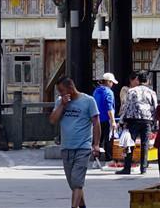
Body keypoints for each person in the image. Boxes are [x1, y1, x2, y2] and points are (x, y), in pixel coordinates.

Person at [48, 77, 102, 208]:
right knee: (73, 183)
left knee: (77, 182)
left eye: (62, 91)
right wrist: (62, 105)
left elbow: (96, 123)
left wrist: (96, 144)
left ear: (70, 88)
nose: (60, 94)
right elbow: (52, 120)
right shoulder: (60, 102)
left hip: (83, 147)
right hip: (66, 147)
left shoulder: (88, 101)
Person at [119, 71, 158, 175]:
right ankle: (143, 168)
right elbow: (155, 107)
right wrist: (155, 122)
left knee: (130, 143)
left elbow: (126, 106)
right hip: (147, 120)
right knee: (145, 144)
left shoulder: (131, 91)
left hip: (133, 119)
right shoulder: (151, 92)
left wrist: (122, 121)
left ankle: (127, 168)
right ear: (147, 80)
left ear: (138, 80)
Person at [92, 73, 117, 162]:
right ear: (108, 82)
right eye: (112, 82)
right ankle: (108, 158)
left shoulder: (96, 91)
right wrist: (113, 121)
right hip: (106, 119)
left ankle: (96, 159)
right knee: (108, 139)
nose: (112, 84)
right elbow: (109, 108)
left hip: (96, 119)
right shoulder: (109, 92)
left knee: (97, 139)